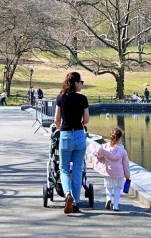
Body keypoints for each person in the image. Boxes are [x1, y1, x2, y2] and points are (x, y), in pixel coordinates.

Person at [53, 71, 89, 215]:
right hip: (79, 134)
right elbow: (86, 120)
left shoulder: (61, 97)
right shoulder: (83, 99)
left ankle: (67, 193)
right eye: (81, 82)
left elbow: (56, 119)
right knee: (78, 170)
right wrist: (79, 125)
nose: (81, 84)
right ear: (75, 83)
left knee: (64, 169)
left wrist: (62, 128)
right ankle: (75, 202)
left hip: (66, 134)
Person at [89, 126, 131, 211]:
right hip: (119, 174)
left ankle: (108, 199)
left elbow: (97, 153)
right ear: (120, 139)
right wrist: (127, 176)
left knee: (108, 187)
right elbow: (126, 165)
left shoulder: (105, 147)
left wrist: (91, 146)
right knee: (117, 189)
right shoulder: (123, 151)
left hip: (108, 171)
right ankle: (116, 206)